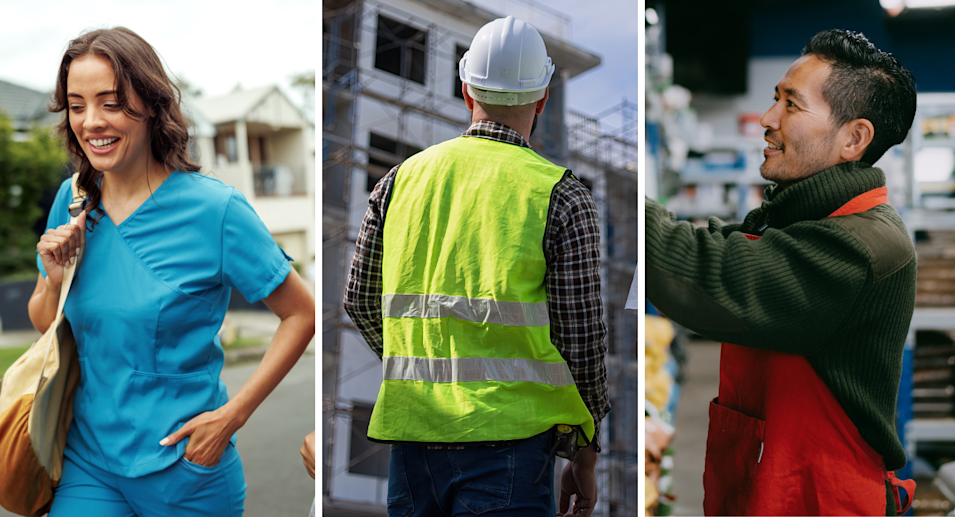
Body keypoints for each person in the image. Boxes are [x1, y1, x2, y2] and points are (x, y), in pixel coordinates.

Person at [29, 27, 315, 516]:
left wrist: (231, 416)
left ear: (151, 104)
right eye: (77, 105)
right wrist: (56, 278)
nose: (91, 121)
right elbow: (44, 323)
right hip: (89, 459)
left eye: (111, 102)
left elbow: (302, 314)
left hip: (187, 468)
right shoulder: (72, 199)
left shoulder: (215, 210)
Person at [343, 15, 609, 517]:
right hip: (512, 444)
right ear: (543, 97)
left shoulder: (398, 182)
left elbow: (359, 299)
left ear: (466, 91)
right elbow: (583, 339)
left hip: (413, 438)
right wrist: (585, 452)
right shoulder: (563, 194)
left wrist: (418, 366)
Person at [646, 29, 917, 516]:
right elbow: (720, 244)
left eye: (791, 105)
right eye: (775, 100)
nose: (768, 120)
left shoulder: (864, 243)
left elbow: (713, 274)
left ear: (854, 138)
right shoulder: (797, 221)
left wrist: (610, 197)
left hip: (822, 498)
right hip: (771, 484)